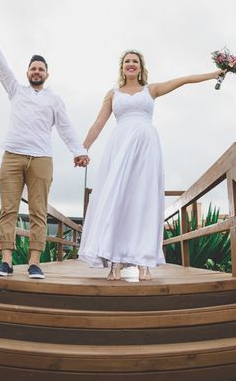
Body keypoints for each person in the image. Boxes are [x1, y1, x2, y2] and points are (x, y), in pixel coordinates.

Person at [78, 50, 223, 281]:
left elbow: (183, 80)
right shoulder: (113, 94)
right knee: (117, 199)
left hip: (146, 149)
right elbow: (98, 123)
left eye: (135, 61)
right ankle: (114, 263)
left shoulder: (151, 90)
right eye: (127, 61)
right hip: (120, 148)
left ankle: (144, 264)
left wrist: (212, 74)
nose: (131, 64)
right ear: (122, 67)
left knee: (143, 201)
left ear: (141, 67)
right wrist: (82, 149)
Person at [0, 20, 89, 279]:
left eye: (41, 69)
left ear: (47, 74)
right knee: (8, 209)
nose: (37, 71)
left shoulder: (54, 100)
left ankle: (34, 262)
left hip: (41, 159)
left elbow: (66, 128)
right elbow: (3, 69)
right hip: (13, 156)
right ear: (27, 72)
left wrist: (79, 150)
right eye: (33, 68)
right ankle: (6, 261)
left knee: (38, 211)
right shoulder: (16, 91)